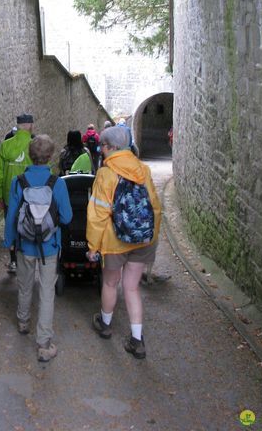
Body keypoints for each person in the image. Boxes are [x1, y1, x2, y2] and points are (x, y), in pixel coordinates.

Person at [86, 126, 162, 359]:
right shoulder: (143, 169)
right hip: (142, 240)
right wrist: (152, 237)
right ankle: (137, 340)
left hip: (114, 241)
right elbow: (155, 206)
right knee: (131, 287)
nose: (101, 150)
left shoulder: (106, 174)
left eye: (102, 147)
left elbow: (98, 214)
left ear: (109, 148)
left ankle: (105, 325)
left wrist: (93, 247)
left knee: (110, 283)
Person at [4, 135, 72, 362]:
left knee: (24, 286)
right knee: (46, 293)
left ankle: (23, 321)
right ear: (50, 156)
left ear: (31, 155)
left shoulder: (18, 181)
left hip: (24, 246)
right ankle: (44, 343)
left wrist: (10, 241)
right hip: (49, 247)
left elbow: (12, 215)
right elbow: (67, 216)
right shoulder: (57, 183)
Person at [0, 113, 34, 273]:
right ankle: (27, 260)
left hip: (10, 195)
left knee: (11, 226)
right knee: (29, 224)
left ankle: (14, 261)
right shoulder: (34, 145)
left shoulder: (6, 145)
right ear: (30, 126)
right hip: (29, 195)